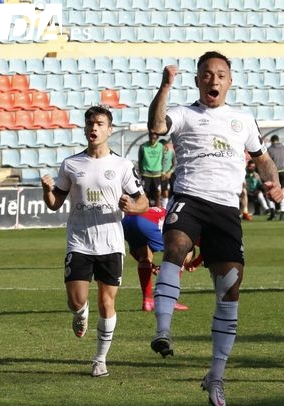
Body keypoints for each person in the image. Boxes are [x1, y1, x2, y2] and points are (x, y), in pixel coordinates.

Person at [147, 50, 284, 406]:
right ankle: (163, 331)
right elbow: (156, 127)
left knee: (229, 289)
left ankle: (216, 375)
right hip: (189, 198)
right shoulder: (184, 113)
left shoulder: (242, 120)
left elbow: (262, 159)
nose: (214, 80)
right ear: (197, 80)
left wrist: (274, 183)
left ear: (230, 81)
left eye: (220, 75)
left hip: (226, 210)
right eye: (207, 74)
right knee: (175, 248)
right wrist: (165, 87)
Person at [41, 105, 149, 378]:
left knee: (106, 303)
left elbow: (143, 202)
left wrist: (131, 207)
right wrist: (47, 191)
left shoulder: (122, 165)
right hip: (79, 241)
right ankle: (81, 312)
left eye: (100, 123)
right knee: (76, 300)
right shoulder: (71, 164)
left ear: (109, 130)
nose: (94, 128)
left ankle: (100, 359)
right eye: (90, 123)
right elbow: (55, 204)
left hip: (111, 243)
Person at [121, 206, 190, 312]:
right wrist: (193, 262)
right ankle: (170, 301)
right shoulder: (181, 223)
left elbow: (134, 252)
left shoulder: (165, 212)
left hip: (126, 221)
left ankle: (147, 301)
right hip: (144, 221)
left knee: (144, 257)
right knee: (178, 256)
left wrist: (152, 266)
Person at [267, 135, 284, 220]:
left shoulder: (270, 149)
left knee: (271, 191)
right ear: (278, 140)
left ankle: (272, 212)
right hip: (283, 172)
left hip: (273, 172)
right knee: (283, 192)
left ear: (272, 141)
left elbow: (266, 161)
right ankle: (282, 213)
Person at [138, 131, 164, 207]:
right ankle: (145, 208)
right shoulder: (143, 146)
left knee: (158, 192)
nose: (152, 140)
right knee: (145, 192)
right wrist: (141, 171)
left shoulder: (161, 146)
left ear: (157, 138)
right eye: (151, 138)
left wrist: (164, 171)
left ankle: (157, 209)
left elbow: (164, 159)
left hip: (157, 173)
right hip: (146, 173)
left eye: (154, 138)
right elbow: (140, 160)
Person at [160, 137, 175, 209]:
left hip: (169, 175)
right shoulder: (159, 154)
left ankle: (166, 207)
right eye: (164, 147)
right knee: (160, 191)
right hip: (160, 175)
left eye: (166, 146)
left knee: (167, 191)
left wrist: (169, 172)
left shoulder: (171, 152)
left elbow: (175, 163)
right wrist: (162, 173)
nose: (166, 148)